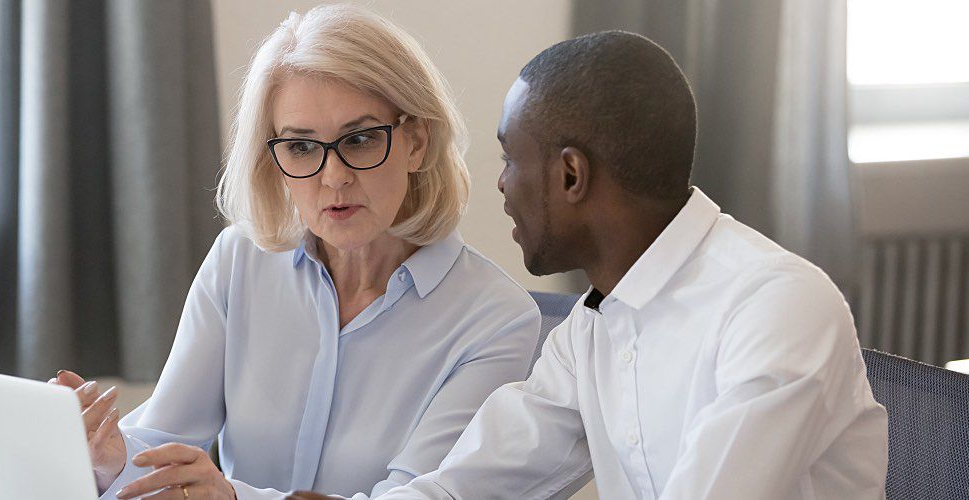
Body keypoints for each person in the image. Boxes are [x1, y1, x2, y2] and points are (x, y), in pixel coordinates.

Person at [298, 30, 889, 500]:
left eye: (510, 158)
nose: (501, 185)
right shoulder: (590, 329)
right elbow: (468, 484)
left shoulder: (775, 307)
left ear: (571, 175)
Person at [49, 5, 542, 499]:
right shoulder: (239, 262)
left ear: (416, 141)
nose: (334, 177)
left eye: (361, 138)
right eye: (302, 147)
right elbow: (163, 440)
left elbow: (415, 497)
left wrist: (232, 496)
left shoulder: (496, 320)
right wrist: (110, 456)